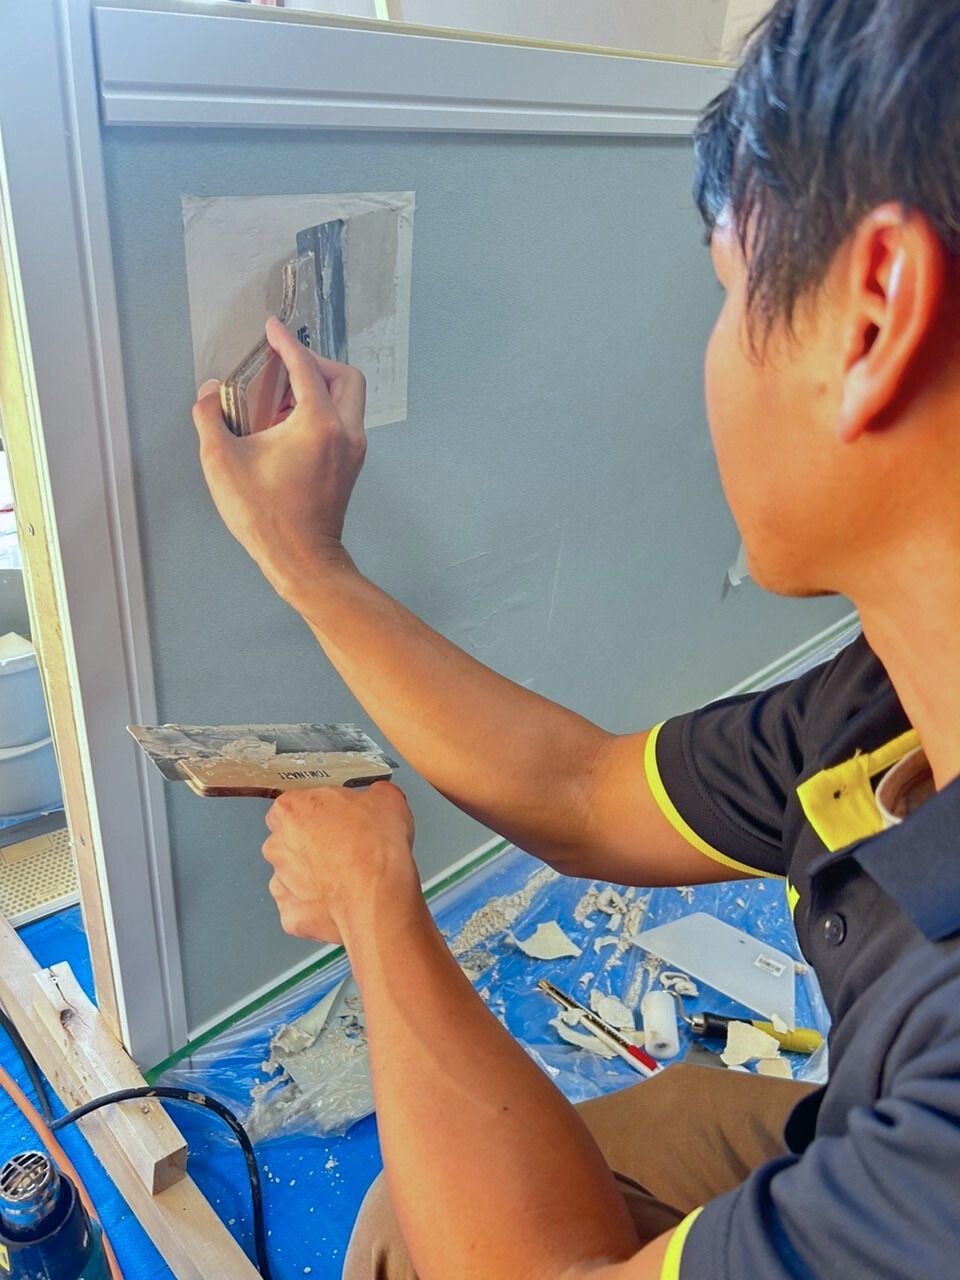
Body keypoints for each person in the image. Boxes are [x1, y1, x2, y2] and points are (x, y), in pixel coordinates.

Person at [192, 1, 960, 1274]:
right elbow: (583, 788)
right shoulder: (888, 701)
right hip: (858, 1112)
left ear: (872, 317)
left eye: (727, 294)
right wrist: (308, 562)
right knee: (464, 1189)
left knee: (418, 1242)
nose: (710, 356)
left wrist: (377, 911)